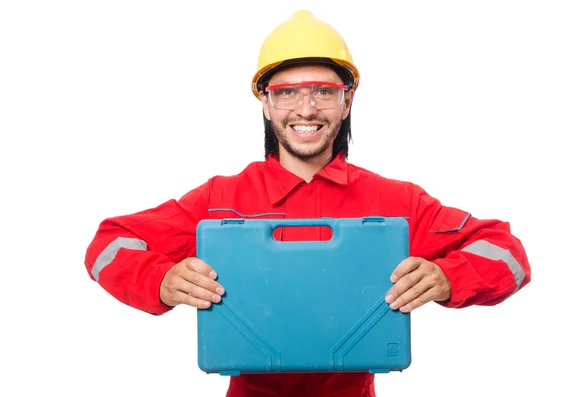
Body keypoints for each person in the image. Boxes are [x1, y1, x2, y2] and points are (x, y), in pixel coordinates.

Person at [84, 10, 531, 397]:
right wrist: (159, 279)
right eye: (287, 93)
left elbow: (507, 254)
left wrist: (447, 275)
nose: (306, 108)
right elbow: (109, 244)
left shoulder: (396, 202)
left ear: (346, 100)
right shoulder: (220, 200)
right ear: (265, 102)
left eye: (323, 91)